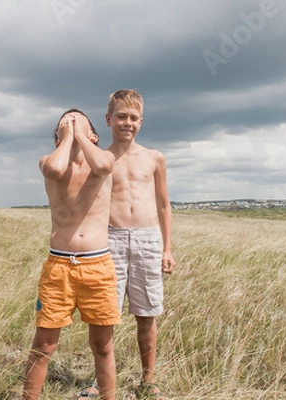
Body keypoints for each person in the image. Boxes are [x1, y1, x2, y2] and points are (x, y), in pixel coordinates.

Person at [22, 109, 121, 400]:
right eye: (65, 125)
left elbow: (102, 165)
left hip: (97, 267)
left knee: (102, 345)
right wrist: (68, 137)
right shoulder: (50, 163)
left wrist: (78, 134)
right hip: (59, 267)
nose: (73, 126)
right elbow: (53, 168)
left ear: (93, 136)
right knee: (44, 345)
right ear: (57, 139)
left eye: (80, 124)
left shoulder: (104, 161)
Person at [106, 89, 176, 398]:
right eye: (121, 116)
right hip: (111, 240)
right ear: (109, 119)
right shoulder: (102, 160)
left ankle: (148, 379)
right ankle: (103, 379)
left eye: (133, 118)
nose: (127, 122)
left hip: (148, 238)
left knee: (147, 314)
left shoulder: (154, 158)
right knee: (104, 315)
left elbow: (163, 204)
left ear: (141, 122)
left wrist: (167, 248)